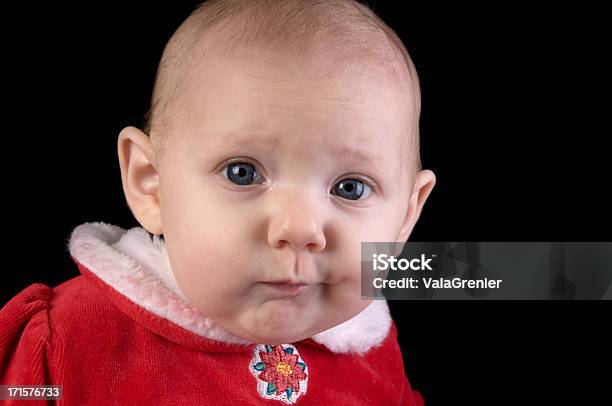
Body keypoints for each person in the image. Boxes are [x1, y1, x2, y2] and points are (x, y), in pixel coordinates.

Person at [0, 0, 435, 404]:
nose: (301, 229)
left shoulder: (372, 348)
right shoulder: (66, 340)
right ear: (151, 183)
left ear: (404, 218)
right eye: (242, 173)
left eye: (350, 188)